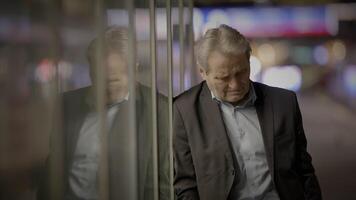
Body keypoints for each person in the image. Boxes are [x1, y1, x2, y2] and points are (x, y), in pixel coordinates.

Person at [173, 24, 322, 200]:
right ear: (203, 73)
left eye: (241, 72)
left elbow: (305, 172)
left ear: (249, 61)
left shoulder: (284, 103)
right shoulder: (184, 110)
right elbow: (185, 184)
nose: (235, 85)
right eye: (223, 77)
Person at [38, 26, 170, 200]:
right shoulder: (67, 104)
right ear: (91, 71)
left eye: (115, 79)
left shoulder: (157, 108)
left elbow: (163, 183)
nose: (108, 87)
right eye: (100, 78)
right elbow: (53, 168)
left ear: (134, 68)